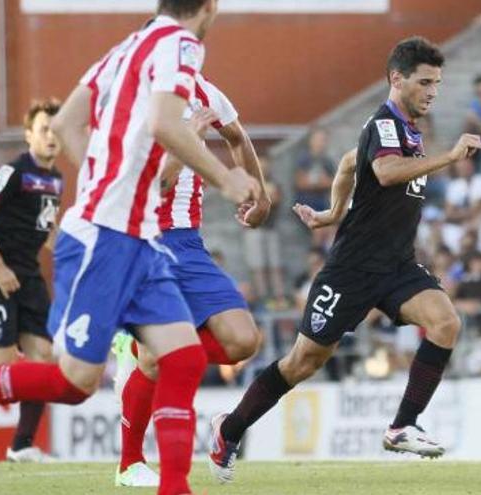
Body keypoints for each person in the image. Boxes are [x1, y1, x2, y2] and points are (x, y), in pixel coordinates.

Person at [0, 4, 259, 495]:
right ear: (209, 6)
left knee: (184, 357)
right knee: (74, 382)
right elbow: (166, 125)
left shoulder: (126, 49)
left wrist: (108, 177)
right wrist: (227, 177)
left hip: (141, 236)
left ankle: (174, 485)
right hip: (103, 238)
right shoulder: (181, 44)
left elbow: (67, 123)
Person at [207, 37, 481, 483]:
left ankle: (401, 427)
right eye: (425, 82)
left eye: (437, 82)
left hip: (396, 265)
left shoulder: (407, 130)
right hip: (351, 270)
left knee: (445, 322)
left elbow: (346, 164)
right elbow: (383, 171)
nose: (434, 91)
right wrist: (449, 157)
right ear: (397, 79)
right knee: (304, 362)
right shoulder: (383, 123)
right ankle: (229, 427)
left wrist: (332, 213)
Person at [113, 72, 272, 487]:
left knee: (243, 341)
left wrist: (261, 194)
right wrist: (187, 136)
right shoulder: (135, 98)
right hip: (145, 239)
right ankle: (130, 463)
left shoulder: (205, 91)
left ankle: (142, 348)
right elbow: (158, 184)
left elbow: (237, 137)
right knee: (157, 359)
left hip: (188, 242)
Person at [0, 98, 63, 463]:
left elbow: (47, 226)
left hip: (30, 277)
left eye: (56, 131)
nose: (52, 137)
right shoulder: (15, 171)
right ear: (29, 135)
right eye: (44, 130)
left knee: (43, 359)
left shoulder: (55, 178)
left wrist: (70, 252)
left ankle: (22, 444)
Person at [243, 157, 286, 306]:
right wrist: (264, 199)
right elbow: (244, 201)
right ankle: (263, 298)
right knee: (257, 265)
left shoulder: (274, 183)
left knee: (275, 264)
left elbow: (276, 199)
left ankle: (279, 297)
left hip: (270, 227)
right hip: (253, 229)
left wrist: (259, 200)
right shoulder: (249, 183)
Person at [294, 127, 336, 248]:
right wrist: (320, 182)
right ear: (311, 140)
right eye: (318, 139)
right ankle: (316, 261)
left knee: (332, 232)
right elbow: (301, 182)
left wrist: (315, 182)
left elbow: (334, 183)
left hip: (323, 204)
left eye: (323, 139)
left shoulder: (327, 161)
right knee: (318, 232)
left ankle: (326, 262)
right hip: (306, 203)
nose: (321, 142)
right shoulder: (304, 159)